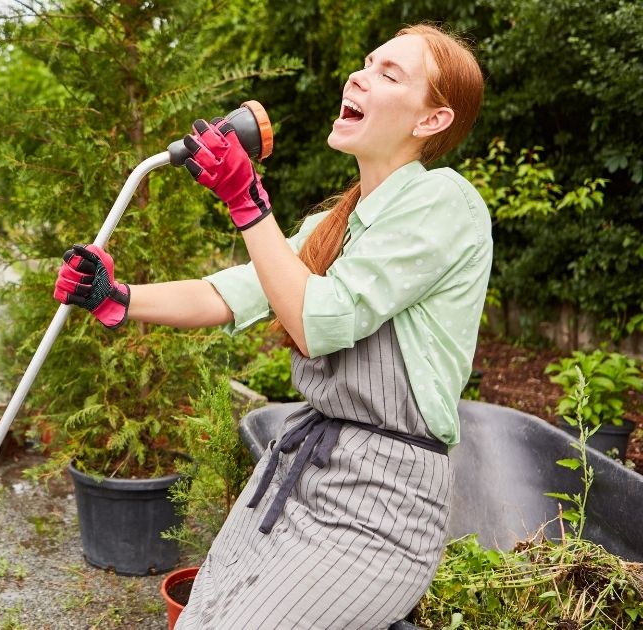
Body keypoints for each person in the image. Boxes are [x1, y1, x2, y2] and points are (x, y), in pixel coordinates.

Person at [53, 24, 491, 629]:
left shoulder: (446, 203)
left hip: (379, 509)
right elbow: (224, 293)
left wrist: (246, 201)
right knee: (202, 617)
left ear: (431, 121)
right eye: (367, 63)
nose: (360, 76)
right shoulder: (336, 223)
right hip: (298, 476)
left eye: (390, 74)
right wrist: (117, 297)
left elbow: (319, 322)